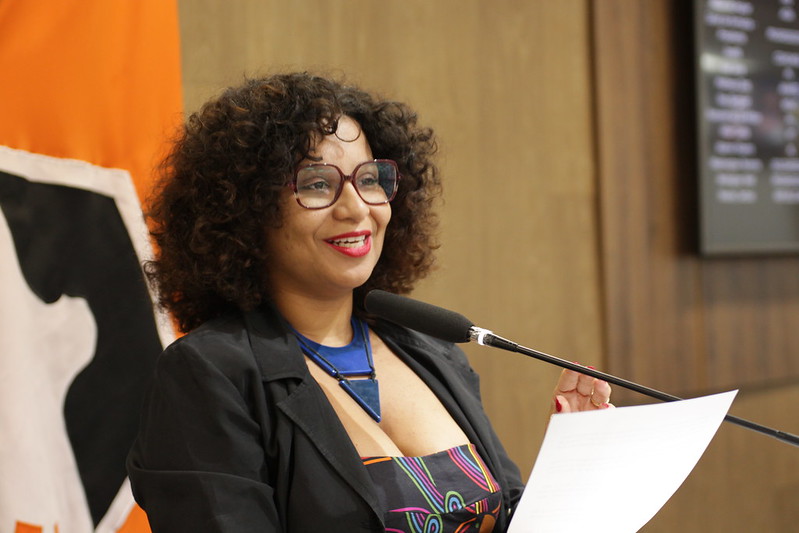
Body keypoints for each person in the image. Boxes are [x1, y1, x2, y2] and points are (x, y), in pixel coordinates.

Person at [126, 72, 613, 533]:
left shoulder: (433, 353)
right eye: (318, 183)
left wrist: (573, 468)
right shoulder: (208, 375)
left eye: (369, 178)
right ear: (246, 210)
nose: (357, 207)